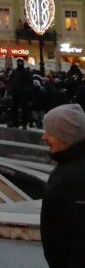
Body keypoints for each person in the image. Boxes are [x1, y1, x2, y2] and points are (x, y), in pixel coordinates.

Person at [41, 103, 85, 268]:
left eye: (50, 133)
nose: (44, 137)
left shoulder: (75, 177)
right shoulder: (70, 166)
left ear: (66, 136)